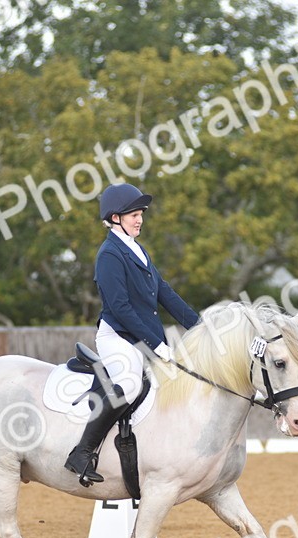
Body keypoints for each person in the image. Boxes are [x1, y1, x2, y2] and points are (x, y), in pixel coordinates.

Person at [64, 183, 201, 486]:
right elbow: (121, 308)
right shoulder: (109, 254)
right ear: (115, 218)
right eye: (133, 215)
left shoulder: (137, 249)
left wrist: (199, 326)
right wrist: (156, 345)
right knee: (126, 384)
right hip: (117, 336)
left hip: (141, 335)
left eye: (140, 214)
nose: (139, 220)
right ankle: (82, 454)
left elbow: (164, 292)